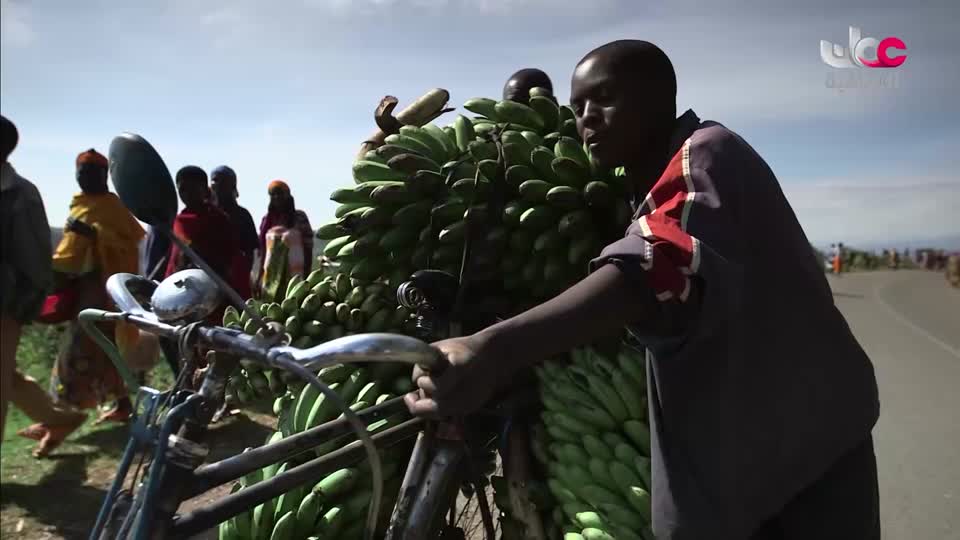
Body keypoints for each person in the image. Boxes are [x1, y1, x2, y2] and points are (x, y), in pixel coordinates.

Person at [406, 40, 880, 540]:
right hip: (765, 444)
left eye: (605, 98)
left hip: (809, 454)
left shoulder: (709, 154)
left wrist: (492, 348)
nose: (587, 118)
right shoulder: (642, 189)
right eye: (577, 107)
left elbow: (655, 265)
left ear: (659, 99)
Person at [38, 149, 146, 449]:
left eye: (93, 173)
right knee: (105, 354)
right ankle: (122, 405)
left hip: (105, 294)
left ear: (105, 176)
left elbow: (129, 246)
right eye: (82, 172)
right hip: (83, 291)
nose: (86, 178)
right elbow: (70, 251)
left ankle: (59, 418)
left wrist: (95, 235)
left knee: (80, 356)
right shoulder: (79, 204)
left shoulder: (114, 208)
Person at [1, 115, 88, 455]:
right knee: (7, 377)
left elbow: (34, 258)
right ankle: (59, 418)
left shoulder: (20, 194)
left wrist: (24, 305)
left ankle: (59, 418)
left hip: (6, 303)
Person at [164, 166, 235, 284]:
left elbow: (226, 258)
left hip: (209, 285)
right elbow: (174, 258)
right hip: (177, 284)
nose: (187, 194)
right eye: (182, 190)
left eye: (192, 189)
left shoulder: (217, 219)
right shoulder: (178, 220)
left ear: (205, 189)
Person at [255, 180, 313, 297]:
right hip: (271, 276)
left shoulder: (299, 217)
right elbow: (264, 253)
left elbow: (308, 247)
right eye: (273, 194)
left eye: (280, 193)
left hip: (295, 274)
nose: (276, 197)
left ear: (287, 196)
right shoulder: (267, 220)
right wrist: (259, 277)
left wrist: (307, 277)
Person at [210, 165, 259, 300]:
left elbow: (250, 251)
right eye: (214, 180)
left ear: (232, 185)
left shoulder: (242, 215)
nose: (216, 184)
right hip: (209, 278)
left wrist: (242, 275)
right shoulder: (205, 214)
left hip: (236, 280)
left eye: (222, 181)